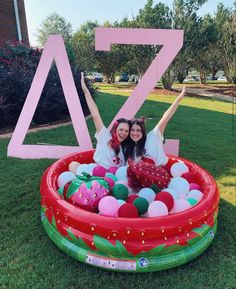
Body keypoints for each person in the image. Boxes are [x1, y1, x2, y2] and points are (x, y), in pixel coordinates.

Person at [124, 86, 186, 165]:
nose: (135, 133)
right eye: (132, 130)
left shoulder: (153, 137)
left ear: (143, 131)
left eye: (138, 130)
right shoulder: (128, 148)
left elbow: (165, 119)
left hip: (162, 172)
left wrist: (179, 99)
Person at [81, 72, 130, 169]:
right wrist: (86, 91)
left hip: (114, 180)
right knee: (73, 165)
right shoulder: (105, 136)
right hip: (97, 174)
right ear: (115, 128)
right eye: (121, 129)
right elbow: (95, 114)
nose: (123, 133)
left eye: (126, 131)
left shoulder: (124, 149)